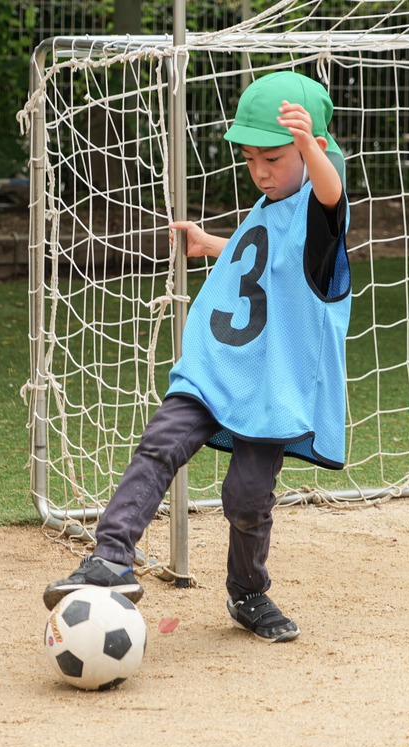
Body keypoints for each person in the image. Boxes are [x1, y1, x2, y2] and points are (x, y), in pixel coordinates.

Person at [42, 71, 351, 643]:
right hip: (214, 366)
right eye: (252, 158)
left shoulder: (321, 215)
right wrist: (212, 244)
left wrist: (312, 147)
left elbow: (328, 197)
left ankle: (248, 592)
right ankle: (110, 557)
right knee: (160, 445)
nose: (261, 171)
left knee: (247, 498)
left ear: (315, 151)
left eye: (276, 158)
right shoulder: (267, 208)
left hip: (269, 385)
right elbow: (260, 259)